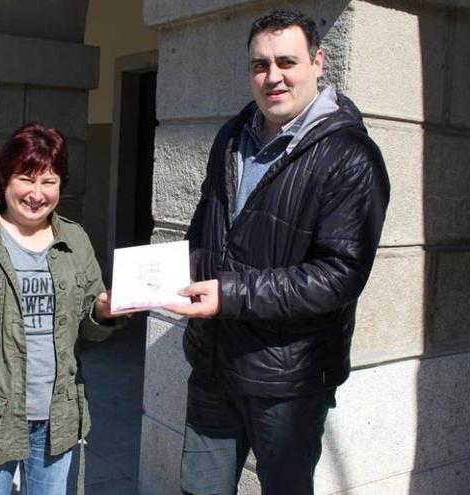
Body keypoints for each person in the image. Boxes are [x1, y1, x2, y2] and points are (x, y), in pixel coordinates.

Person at [163, 9, 391, 495]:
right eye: (259, 65)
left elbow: (339, 275)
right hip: (213, 365)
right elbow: (208, 228)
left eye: (286, 61)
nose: (273, 77)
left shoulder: (350, 156)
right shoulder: (231, 138)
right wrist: (166, 277)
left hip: (289, 378)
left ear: (317, 62)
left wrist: (228, 294)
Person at [0, 123, 124, 495]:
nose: (36, 194)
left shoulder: (74, 240)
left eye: (49, 181)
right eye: (26, 179)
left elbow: (89, 330)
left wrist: (104, 312)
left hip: (57, 417)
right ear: (4, 179)